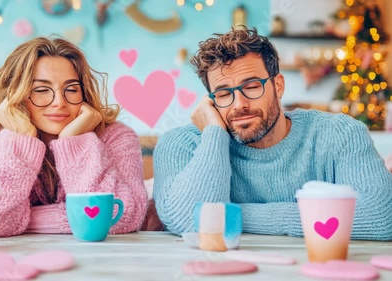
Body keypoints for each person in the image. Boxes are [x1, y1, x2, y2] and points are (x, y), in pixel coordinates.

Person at [153, 27, 392, 240]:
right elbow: (187, 222)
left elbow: (381, 218)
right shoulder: (181, 144)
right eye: (224, 94)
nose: (239, 104)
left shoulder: (341, 134)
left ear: (278, 86)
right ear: (210, 101)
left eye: (252, 86)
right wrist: (214, 134)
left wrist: (228, 214)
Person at [0, 37, 147, 237]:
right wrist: (20, 140)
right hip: (12, 261)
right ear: (14, 95)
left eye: (71, 89)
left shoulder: (116, 137)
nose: (59, 102)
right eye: (41, 90)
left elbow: (126, 216)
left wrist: (74, 142)